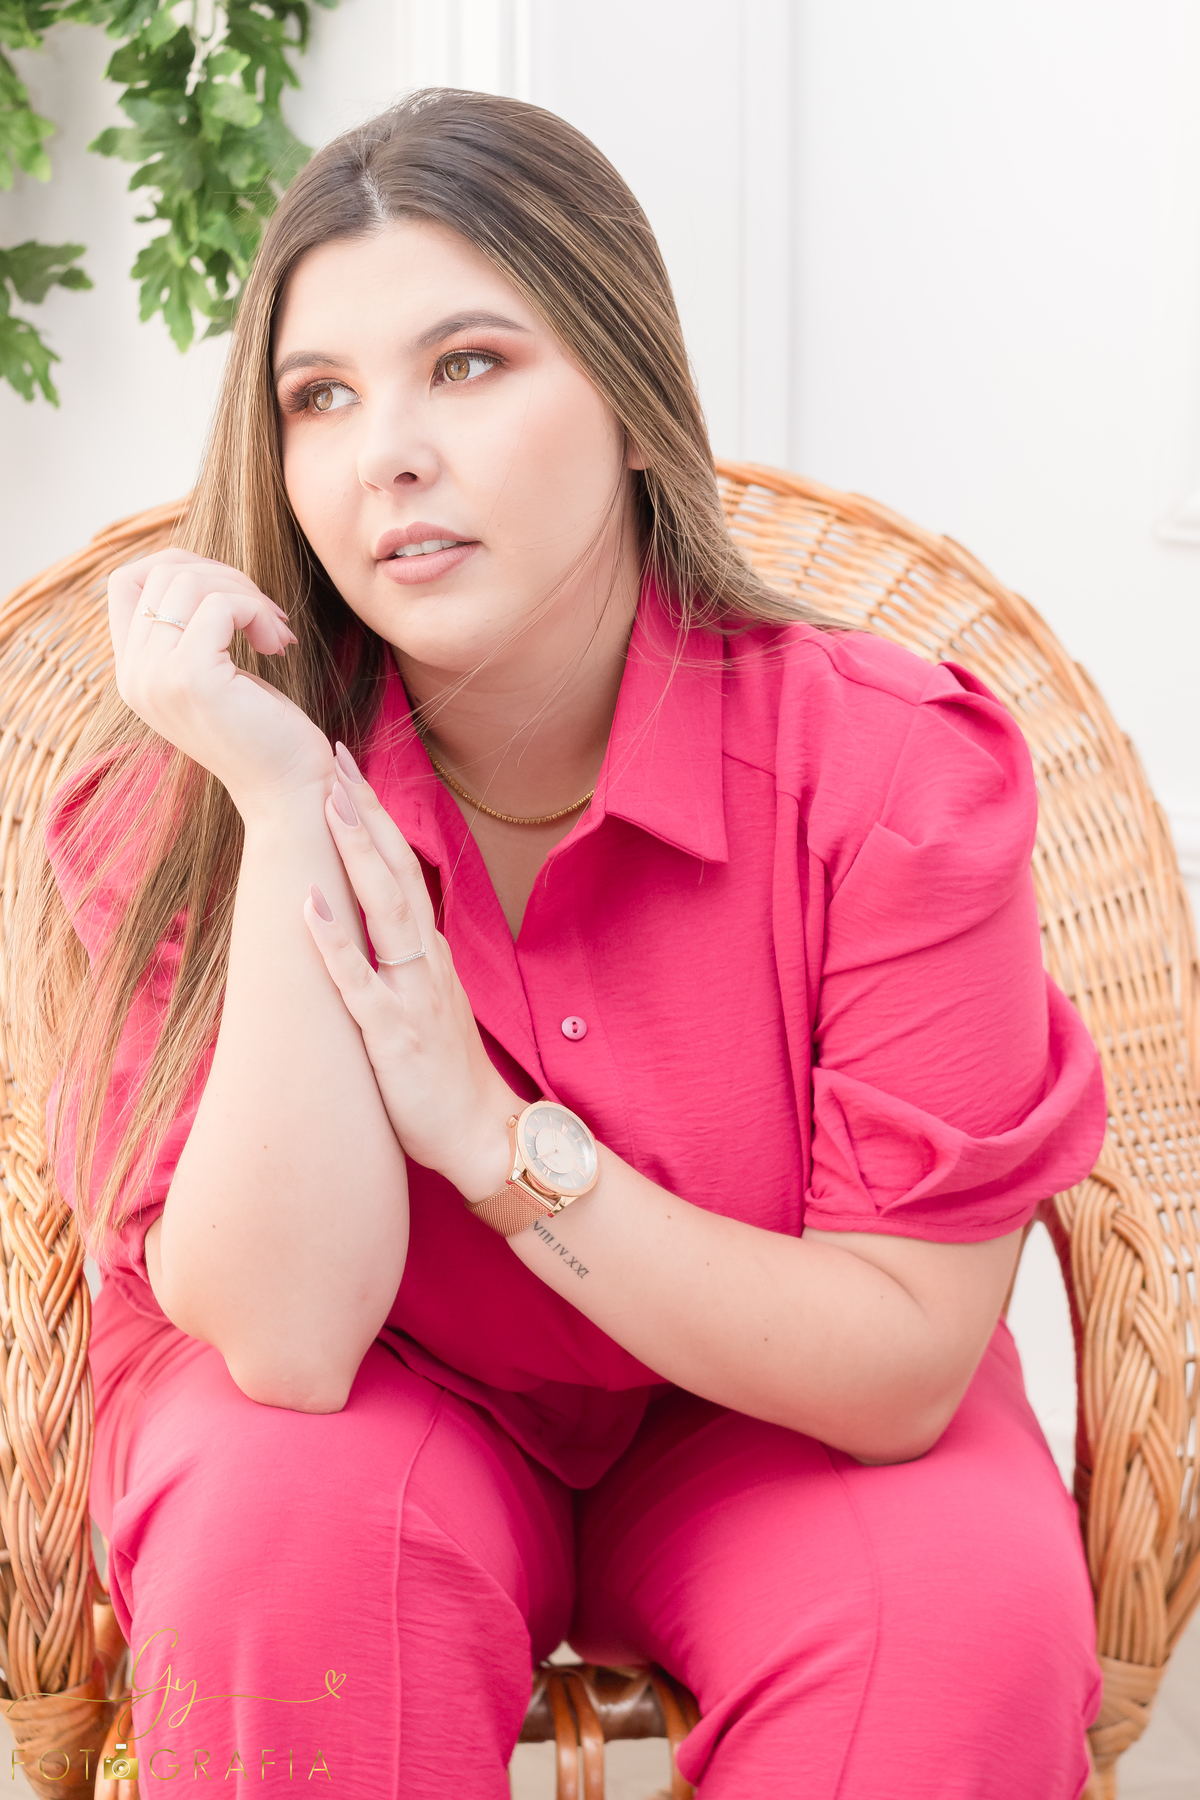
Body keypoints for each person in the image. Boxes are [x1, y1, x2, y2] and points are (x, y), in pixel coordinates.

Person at [22, 88, 1107, 1798]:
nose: (388, 452)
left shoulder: (895, 772)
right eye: (321, 397)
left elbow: (902, 1362)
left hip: (785, 1411)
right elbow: (291, 1345)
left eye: (468, 364)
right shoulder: (193, 803)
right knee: (271, 1534)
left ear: (625, 387)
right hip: (389, 1404)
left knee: (963, 1609)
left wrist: (484, 1135)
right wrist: (287, 796)